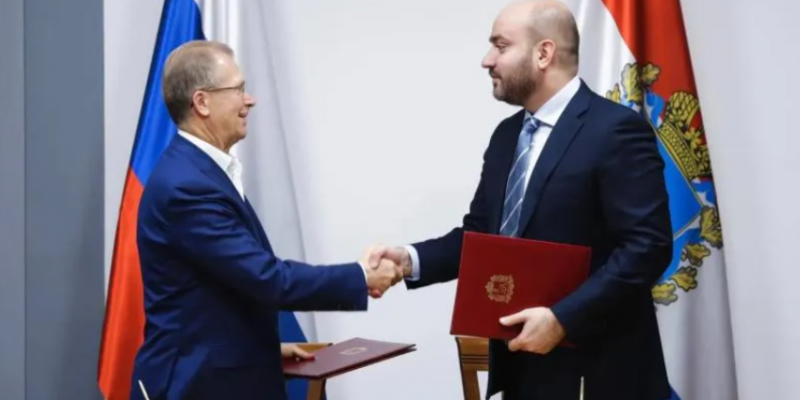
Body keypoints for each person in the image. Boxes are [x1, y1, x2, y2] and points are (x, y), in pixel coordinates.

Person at [371, 1, 673, 399]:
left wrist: (563, 319)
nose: (487, 60)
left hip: (598, 374)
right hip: (521, 370)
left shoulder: (615, 130)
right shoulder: (506, 136)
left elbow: (647, 247)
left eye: (501, 46)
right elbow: (482, 238)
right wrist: (408, 261)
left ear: (544, 53)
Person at [129, 40, 401, 400]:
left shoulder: (201, 171)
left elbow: (215, 293)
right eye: (238, 89)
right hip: (195, 385)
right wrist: (361, 276)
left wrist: (264, 349)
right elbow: (265, 278)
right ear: (202, 102)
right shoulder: (187, 186)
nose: (249, 100)